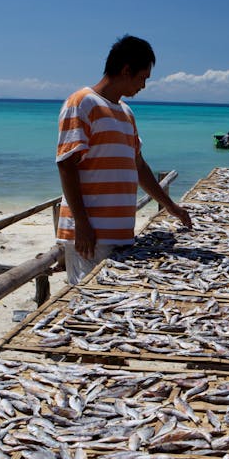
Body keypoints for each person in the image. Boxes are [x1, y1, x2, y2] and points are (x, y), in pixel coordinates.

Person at [55, 35, 192, 284]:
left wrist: (170, 206)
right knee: (87, 302)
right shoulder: (81, 103)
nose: (143, 85)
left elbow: (138, 165)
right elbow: (66, 165)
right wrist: (82, 225)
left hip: (120, 234)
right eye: (142, 78)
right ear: (126, 70)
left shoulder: (126, 112)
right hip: (91, 237)